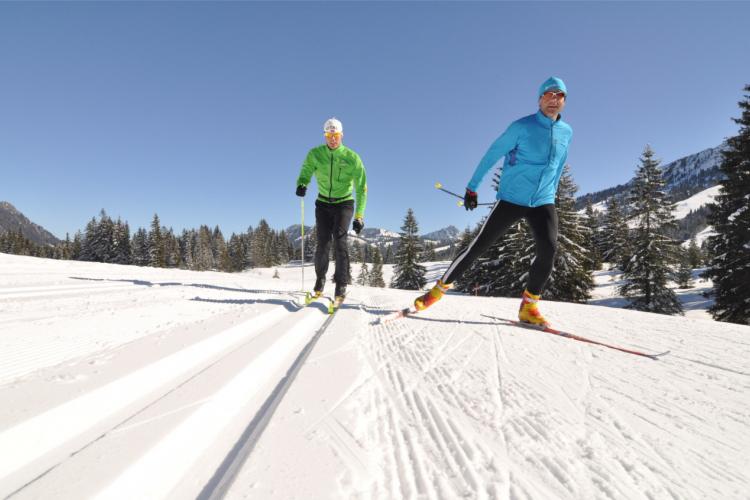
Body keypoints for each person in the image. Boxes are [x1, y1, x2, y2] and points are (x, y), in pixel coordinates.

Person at [414, 77, 573, 327]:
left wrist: (551, 193)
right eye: (549, 95)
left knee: (549, 248)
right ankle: (437, 291)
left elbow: (559, 165)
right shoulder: (521, 127)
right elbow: (492, 153)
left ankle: (529, 307)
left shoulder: (566, 132)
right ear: (540, 99)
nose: (554, 100)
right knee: (478, 247)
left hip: (543, 200)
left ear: (564, 101)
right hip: (511, 198)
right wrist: (472, 187)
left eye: (559, 96)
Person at [296, 118, 368, 300]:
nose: (332, 139)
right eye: (329, 135)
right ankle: (320, 279)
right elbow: (306, 170)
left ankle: (341, 284)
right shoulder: (315, 154)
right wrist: (302, 183)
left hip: (344, 203)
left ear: (341, 135)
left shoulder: (352, 158)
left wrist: (359, 216)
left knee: (340, 241)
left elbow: (361, 188)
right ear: (325, 135)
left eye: (335, 135)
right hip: (322, 203)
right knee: (322, 243)